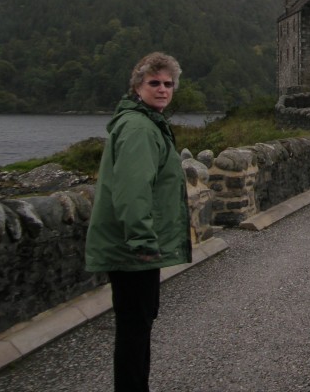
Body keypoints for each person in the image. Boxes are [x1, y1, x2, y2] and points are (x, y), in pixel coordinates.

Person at [85, 52, 191, 392]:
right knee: (134, 330)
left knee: (137, 327)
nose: (162, 89)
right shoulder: (139, 128)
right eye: (154, 83)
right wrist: (144, 242)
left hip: (132, 248)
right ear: (137, 86)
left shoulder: (146, 123)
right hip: (133, 250)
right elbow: (133, 192)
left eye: (168, 84)